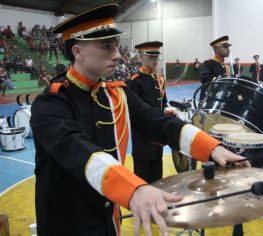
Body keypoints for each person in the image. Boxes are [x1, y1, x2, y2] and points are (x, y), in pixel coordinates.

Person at [30, 4, 249, 236]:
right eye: (106, 46)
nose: (116, 54)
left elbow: (158, 122)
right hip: (66, 222)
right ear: (77, 51)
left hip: (107, 216)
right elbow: (78, 151)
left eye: (115, 45)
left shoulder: (116, 93)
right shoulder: (50, 104)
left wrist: (212, 148)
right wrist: (133, 189)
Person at [127, 41, 171, 183]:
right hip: (142, 139)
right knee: (142, 179)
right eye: (150, 57)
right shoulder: (134, 81)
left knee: (158, 177)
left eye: (156, 57)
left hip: (158, 137)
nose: (155, 60)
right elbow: (133, 113)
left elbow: (163, 102)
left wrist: (167, 111)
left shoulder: (159, 79)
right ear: (141, 57)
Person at [199, 35, 232, 101]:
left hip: (221, 100)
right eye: (225, 47)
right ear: (216, 48)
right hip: (209, 102)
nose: (228, 49)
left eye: (228, 47)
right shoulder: (208, 63)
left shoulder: (226, 66)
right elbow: (205, 78)